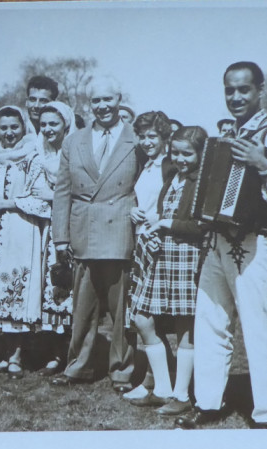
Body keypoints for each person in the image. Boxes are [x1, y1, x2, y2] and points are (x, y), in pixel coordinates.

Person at [176, 61, 267, 429]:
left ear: (260, 90)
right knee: (209, 321)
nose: (236, 97)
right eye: (230, 90)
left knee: (257, 327)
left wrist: (264, 165)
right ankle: (208, 402)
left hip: (255, 242)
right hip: (218, 242)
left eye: (244, 90)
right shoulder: (228, 135)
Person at [51, 76, 137, 392]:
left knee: (119, 310)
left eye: (107, 100)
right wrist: (61, 236)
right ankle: (78, 367)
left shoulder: (136, 139)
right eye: (96, 101)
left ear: (119, 100)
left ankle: (122, 371)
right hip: (82, 231)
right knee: (83, 307)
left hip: (119, 231)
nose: (102, 106)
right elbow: (62, 192)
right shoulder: (74, 141)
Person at [128, 126, 208, 415]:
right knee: (142, 317)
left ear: (200, 153)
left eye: (188, 153)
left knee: (185, 324)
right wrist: (155, 222)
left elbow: (203, 225)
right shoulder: (173, 176)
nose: (181, 158)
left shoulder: (202, 182)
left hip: (187, 256)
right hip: (164, 254)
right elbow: (168, 213)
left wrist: (166, 224)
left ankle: (182, 394)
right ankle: (162, 389)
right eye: (176, 152)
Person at [0, 105, 42, 380]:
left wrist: (7, 203)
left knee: (16, 287)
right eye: (3, 127)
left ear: (23, 128)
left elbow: (40, 198)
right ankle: (3, 354)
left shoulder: (32, 157)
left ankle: (17, 355)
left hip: (20, 229)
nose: (9, 133)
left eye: (14, 127)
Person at [14, 101, 77, 376]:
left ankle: (65, 353)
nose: (49, 129)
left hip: (71, 227)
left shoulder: (75, 152)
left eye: (54, 123)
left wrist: (54, 197)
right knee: (48, 286)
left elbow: (82, 191)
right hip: (44, 230)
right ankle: (48, 349)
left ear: (66, 124)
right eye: (44, 124)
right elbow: (31, 194)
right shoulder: (37, 154)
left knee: (68, 288)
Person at [123, 111, 174, 401]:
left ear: (164, 137)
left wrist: (157, 217)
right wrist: (133, 210)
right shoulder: (147, 165)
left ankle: (161, 386)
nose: (146, 141)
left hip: (162, 244)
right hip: (143, 241)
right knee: (145, 317)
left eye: (152, 136)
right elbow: (140, 197)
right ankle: (152, 382)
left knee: (145, 317)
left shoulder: (169, 165)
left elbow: (179, 200)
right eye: (142, 136)